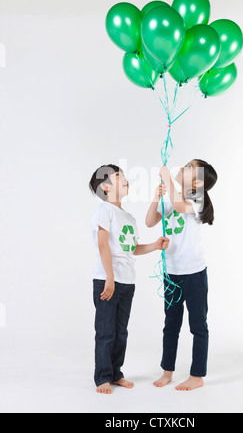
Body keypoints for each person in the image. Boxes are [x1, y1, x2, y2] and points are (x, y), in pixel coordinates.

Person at [89, 164, 169, 394]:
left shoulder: (129, 217)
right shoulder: (104, 210)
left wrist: (154, 246)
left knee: (121, 332)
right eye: (118, 176)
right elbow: (103, 244)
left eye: (124, 175)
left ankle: (116, 373)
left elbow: (131, 248)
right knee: (106, 331)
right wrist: (110, 278)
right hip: (107, 280)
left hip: (127, 282)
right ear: (105, 187)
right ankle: (102, 377)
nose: (125, 178)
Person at [145, 159, 217, 391]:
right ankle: (167, 371)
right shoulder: (170, 197)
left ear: (196, 182)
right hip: (172, 272)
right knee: (171, 324)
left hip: (194, 272)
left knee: (198, 325)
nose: (182, 168)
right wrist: (157, 195)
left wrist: (167, 180)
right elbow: (149, 222)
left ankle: (197, 375)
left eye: (188, 168)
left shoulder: (198, 197)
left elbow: (179, 206)